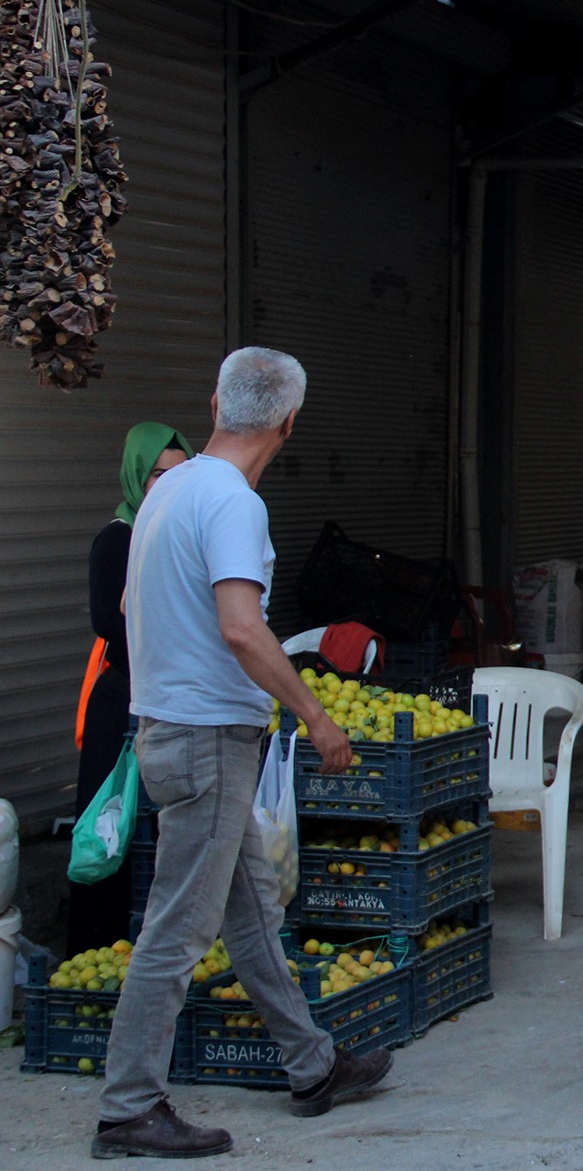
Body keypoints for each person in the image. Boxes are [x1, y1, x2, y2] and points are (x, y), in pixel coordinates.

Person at [94, 349, 389, 1160]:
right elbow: (239, 626)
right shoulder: (231, 502)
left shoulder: (166, 492)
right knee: (176, 933)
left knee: (253, 911)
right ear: (290, 422)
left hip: (172, 730)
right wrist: (317, 717)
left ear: (215, 401)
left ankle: (313, 1066)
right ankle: (129, 1107)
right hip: (206, 741)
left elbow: (128, 605)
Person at [69, 422, 194, 954]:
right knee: (110, 829)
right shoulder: (118, 537)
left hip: (165, 701)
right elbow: (108, 620)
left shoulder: (175, 532)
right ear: (137, 476)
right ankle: (94, 953)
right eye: (157, 474)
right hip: (122, 705)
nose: (168, 483)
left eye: (179, 473)